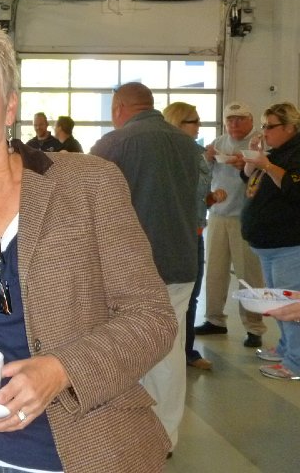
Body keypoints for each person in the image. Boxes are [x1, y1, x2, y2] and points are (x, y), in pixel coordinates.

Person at [0, 14, 176, 472]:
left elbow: (152, 317)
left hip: (94, 449)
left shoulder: (88, 184)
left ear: (9, 107)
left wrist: (61, 370)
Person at [90, 82, 198, 452]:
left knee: (123, 349)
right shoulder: (187, 144)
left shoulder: (113, 145)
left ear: (119, 107)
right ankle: (165, 438)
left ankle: (127, 436)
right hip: (182, 261)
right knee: (170, 350)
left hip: (129, 269)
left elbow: (88, 208)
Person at [195, 101, 267, 348]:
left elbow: (266, 175)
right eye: (230, 120)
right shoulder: (219, 142)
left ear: (250, 120)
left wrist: (246, 164)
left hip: (246, 217)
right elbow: (203, 170)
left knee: (248, 274)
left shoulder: (259, 142)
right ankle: (214, 319)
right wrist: (207, 156)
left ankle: (254, 326)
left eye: (239, 119)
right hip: (218, 214)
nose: (234, 124)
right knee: (214, 271)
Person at [163, 102, 227, 371]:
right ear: (179, 124)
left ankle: (187, 351)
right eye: (194, 121)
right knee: (172, 295)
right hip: (175, 235)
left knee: (191, 295)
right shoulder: (170, 156)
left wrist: (211, 199)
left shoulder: (199, 155)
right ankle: (166, 352)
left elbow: (197, 197)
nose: (199, 126)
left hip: (196, 232)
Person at [241, 102, 300, 381]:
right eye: (263, 126)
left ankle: (296, 362)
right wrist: (256, 161)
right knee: (276, 303)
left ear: (289, 127)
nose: (265, 131)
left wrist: (267, 164)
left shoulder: (296, 153)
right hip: (267, 243)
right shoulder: (276, 152)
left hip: (289, 244)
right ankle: (286, 348)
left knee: (291, 305)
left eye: (270, 126)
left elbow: (293, 187)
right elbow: (252, 180)